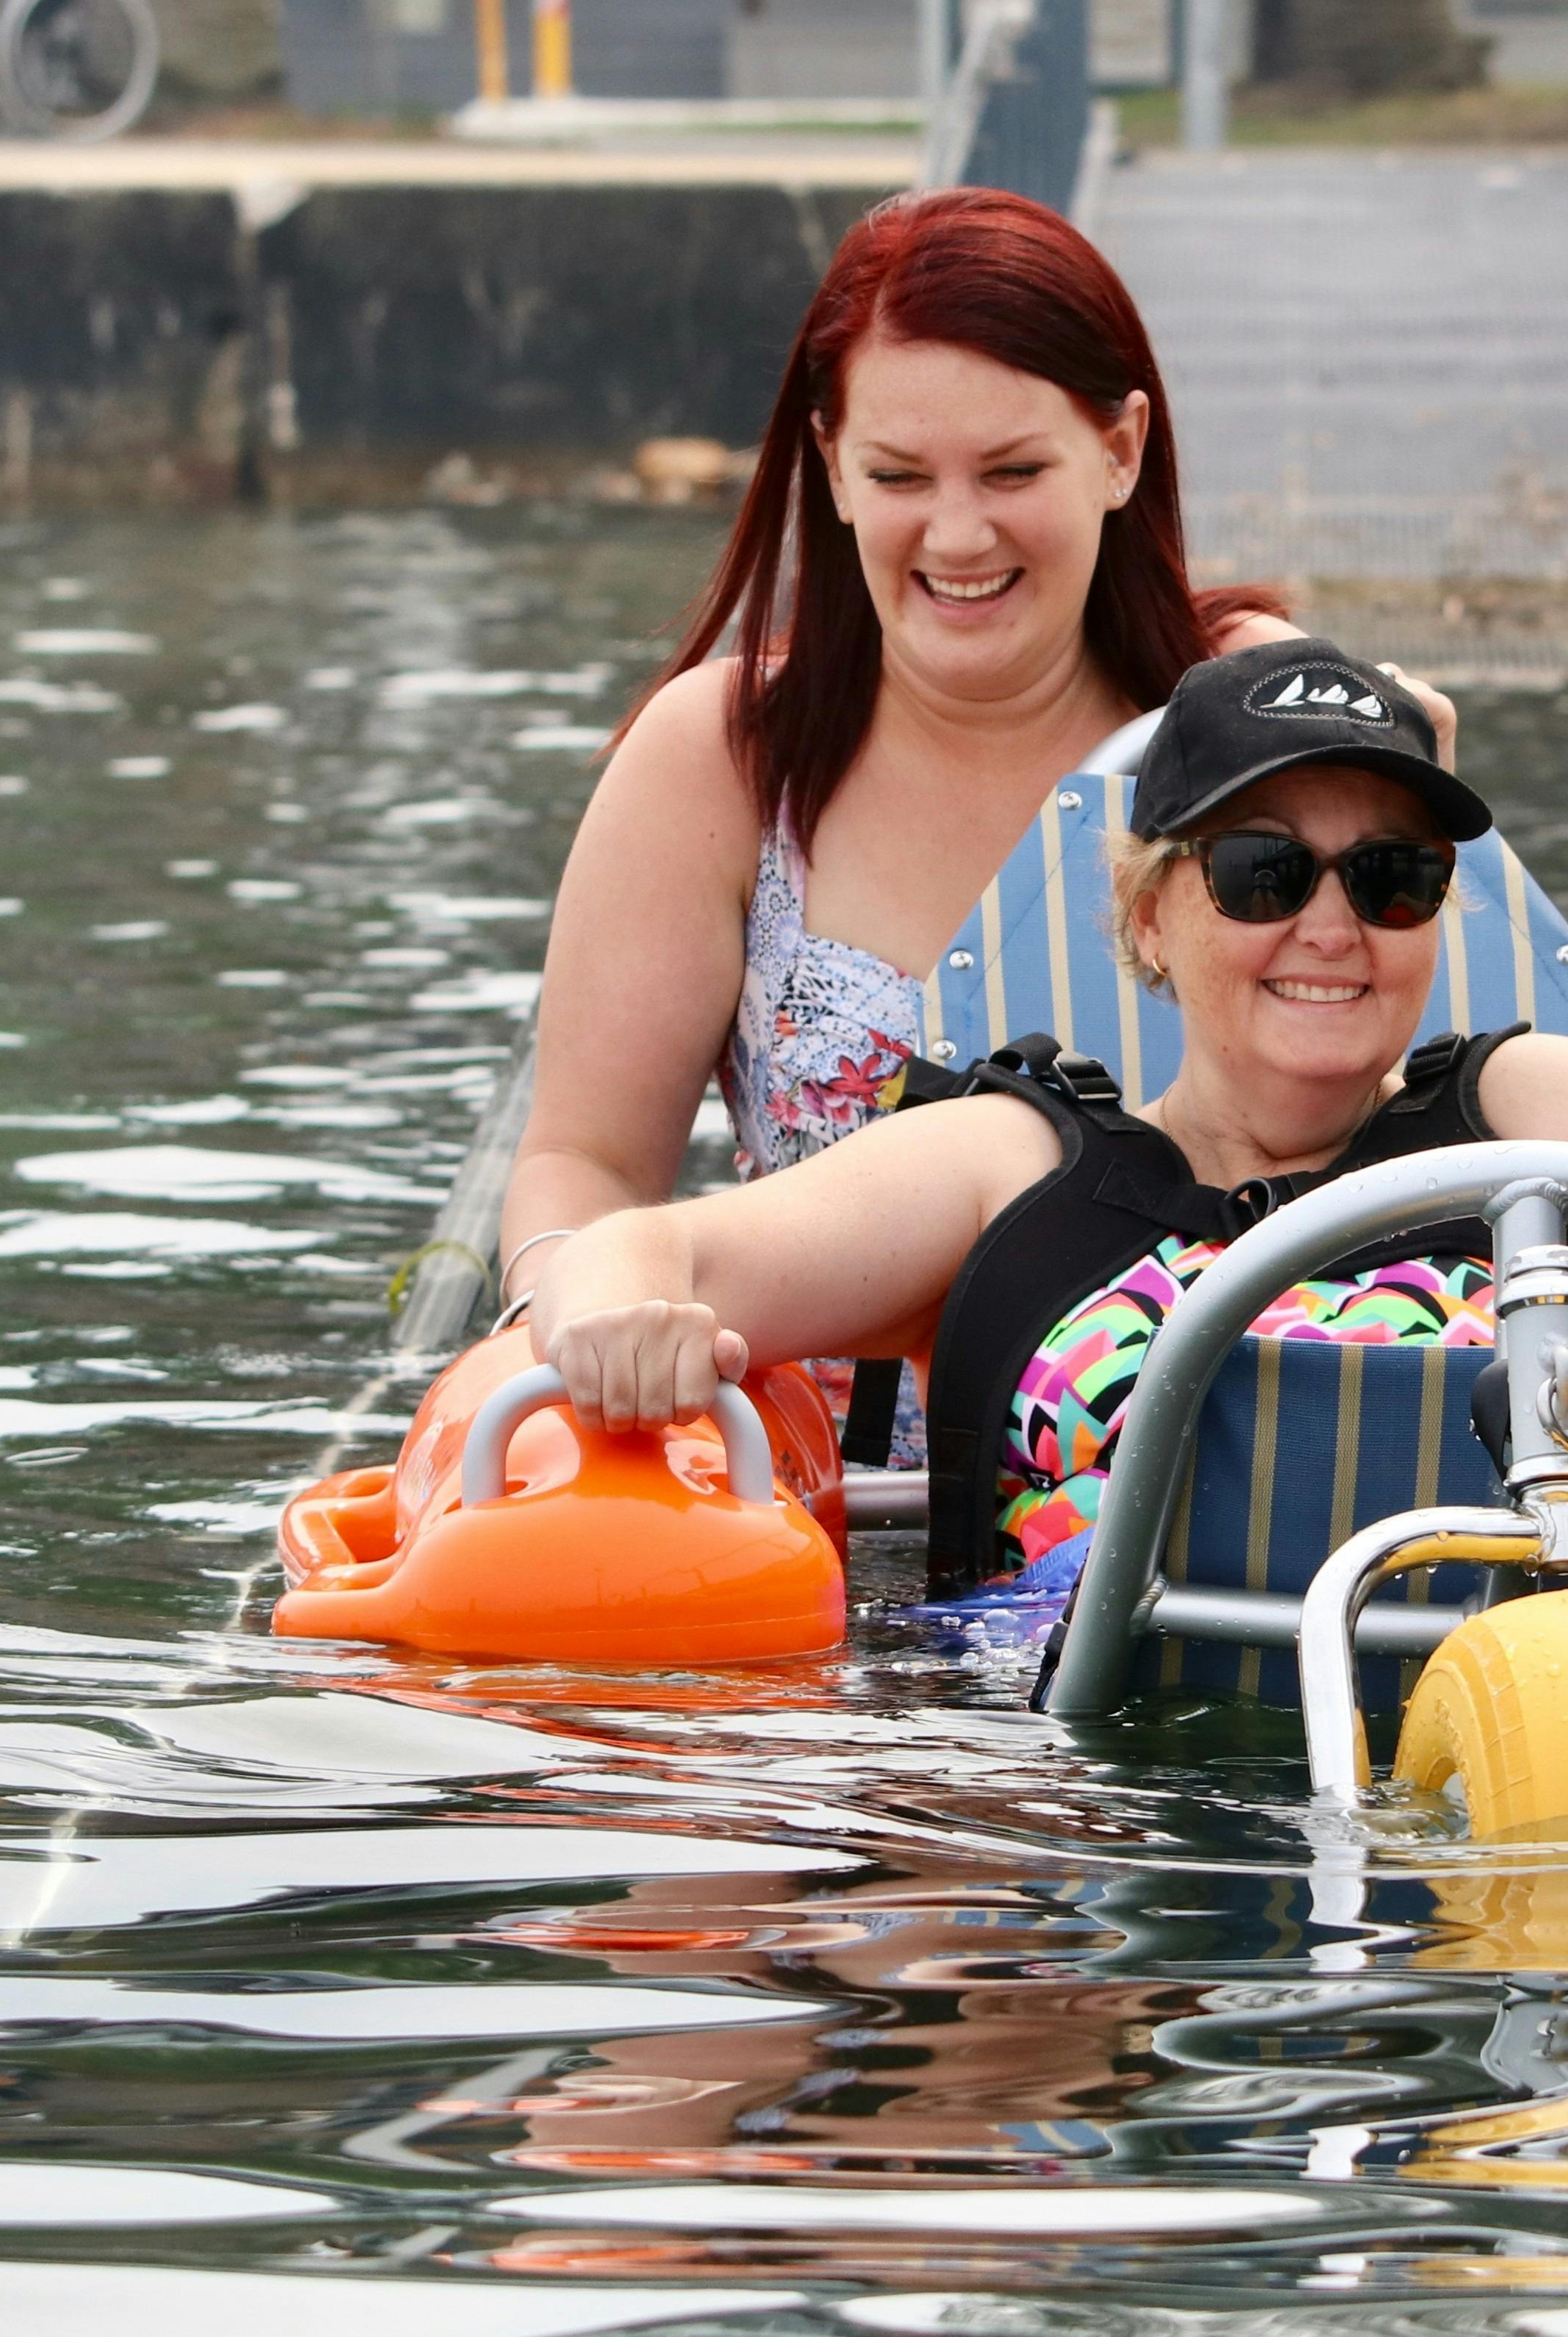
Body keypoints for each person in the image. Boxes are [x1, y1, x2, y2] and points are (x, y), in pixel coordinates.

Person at [531, 643, 1568, 1592]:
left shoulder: (1532, 1111)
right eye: (1265, 870)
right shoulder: (1009, 1158)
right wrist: (620, 1325)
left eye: (1391, 877)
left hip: (1546, 1759)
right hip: (1089, 1804)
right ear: (1149, 913)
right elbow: (664, 1244)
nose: (1332, 923)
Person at [501, 191, 1297, 1422]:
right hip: (808, 1510)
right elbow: (584, 1161)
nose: (959, 531)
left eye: (1014, 469)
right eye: (900, 474)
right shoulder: (717, 762)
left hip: (1183, 1491)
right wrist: (572, 1311)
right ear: (829, 465)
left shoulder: (1255, 716)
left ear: (1121, 451)